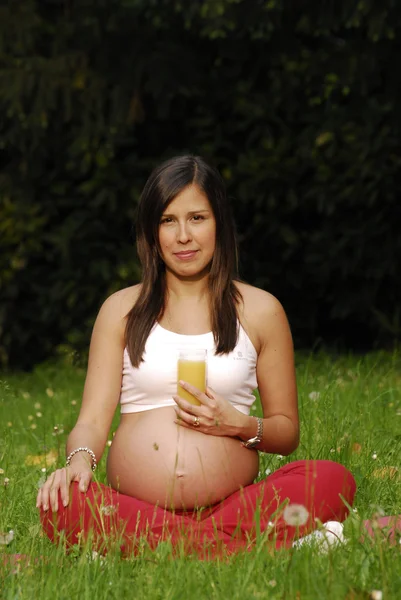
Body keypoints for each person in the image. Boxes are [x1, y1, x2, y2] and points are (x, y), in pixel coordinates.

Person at [37, 155, 356, 558]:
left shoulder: (261, 310)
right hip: (137, 507)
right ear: (152, 232)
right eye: (168, 220)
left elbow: (286, 433)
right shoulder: (120, 310)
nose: (183, 235)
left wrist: (238, 424)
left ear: (219, 222)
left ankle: (163, 549)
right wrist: (79, 463)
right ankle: (245, 547)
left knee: (330, 478)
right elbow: (91, 422)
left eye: (197, 218)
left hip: (232, 504)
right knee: (62, 501)